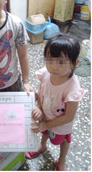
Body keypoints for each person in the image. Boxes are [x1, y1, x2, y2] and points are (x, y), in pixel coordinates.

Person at [27, 34, 86, 171]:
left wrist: (47, 124)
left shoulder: (72, 89)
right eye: (49, 60)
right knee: (45, 132)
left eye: (60, 62)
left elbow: (68, 116)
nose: (53, 66)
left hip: (61, 124)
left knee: (64, 140)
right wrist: (39, 106)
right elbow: (42, 91)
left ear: (74, 63)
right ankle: (42, 146)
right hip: (46, 115)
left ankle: (63, 159)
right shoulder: (46, 73)